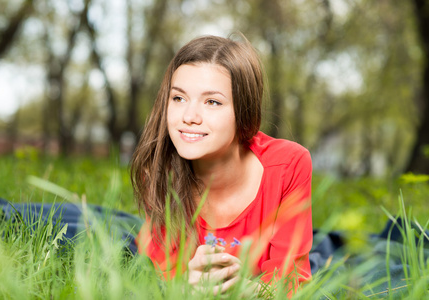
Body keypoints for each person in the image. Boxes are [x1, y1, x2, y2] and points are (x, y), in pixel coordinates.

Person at [130, 34, 313, 295]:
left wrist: (252, 289)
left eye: (212, 102)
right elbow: (160, 278)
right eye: (178, 98)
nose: (189, 117)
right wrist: (185, 285)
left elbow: (292, 280)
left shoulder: (288, 165)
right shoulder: (161, 172)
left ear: (243, 112)